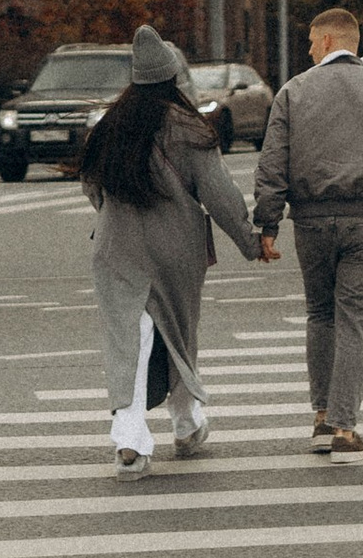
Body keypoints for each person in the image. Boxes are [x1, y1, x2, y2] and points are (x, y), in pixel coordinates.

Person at [81, 24, 265, 475]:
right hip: (174, 252)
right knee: (177, 334)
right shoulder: (188, 128)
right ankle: (185, 423)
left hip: (115, 250)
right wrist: (250, 240)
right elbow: (219, 194)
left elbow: (92, 187)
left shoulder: (108, 126)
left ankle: (130, 437)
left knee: (130, 340)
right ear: (172, 81)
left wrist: (113, 218)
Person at [252, 4, 363, 457]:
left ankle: (320, 419)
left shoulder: (293, 93)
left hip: (309, 219)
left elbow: (272, 165)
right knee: (355, 321)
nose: (308, 50)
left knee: (321, 315)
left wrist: (268, 222)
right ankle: (346, 429)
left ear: (328, 41)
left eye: (311, 42)